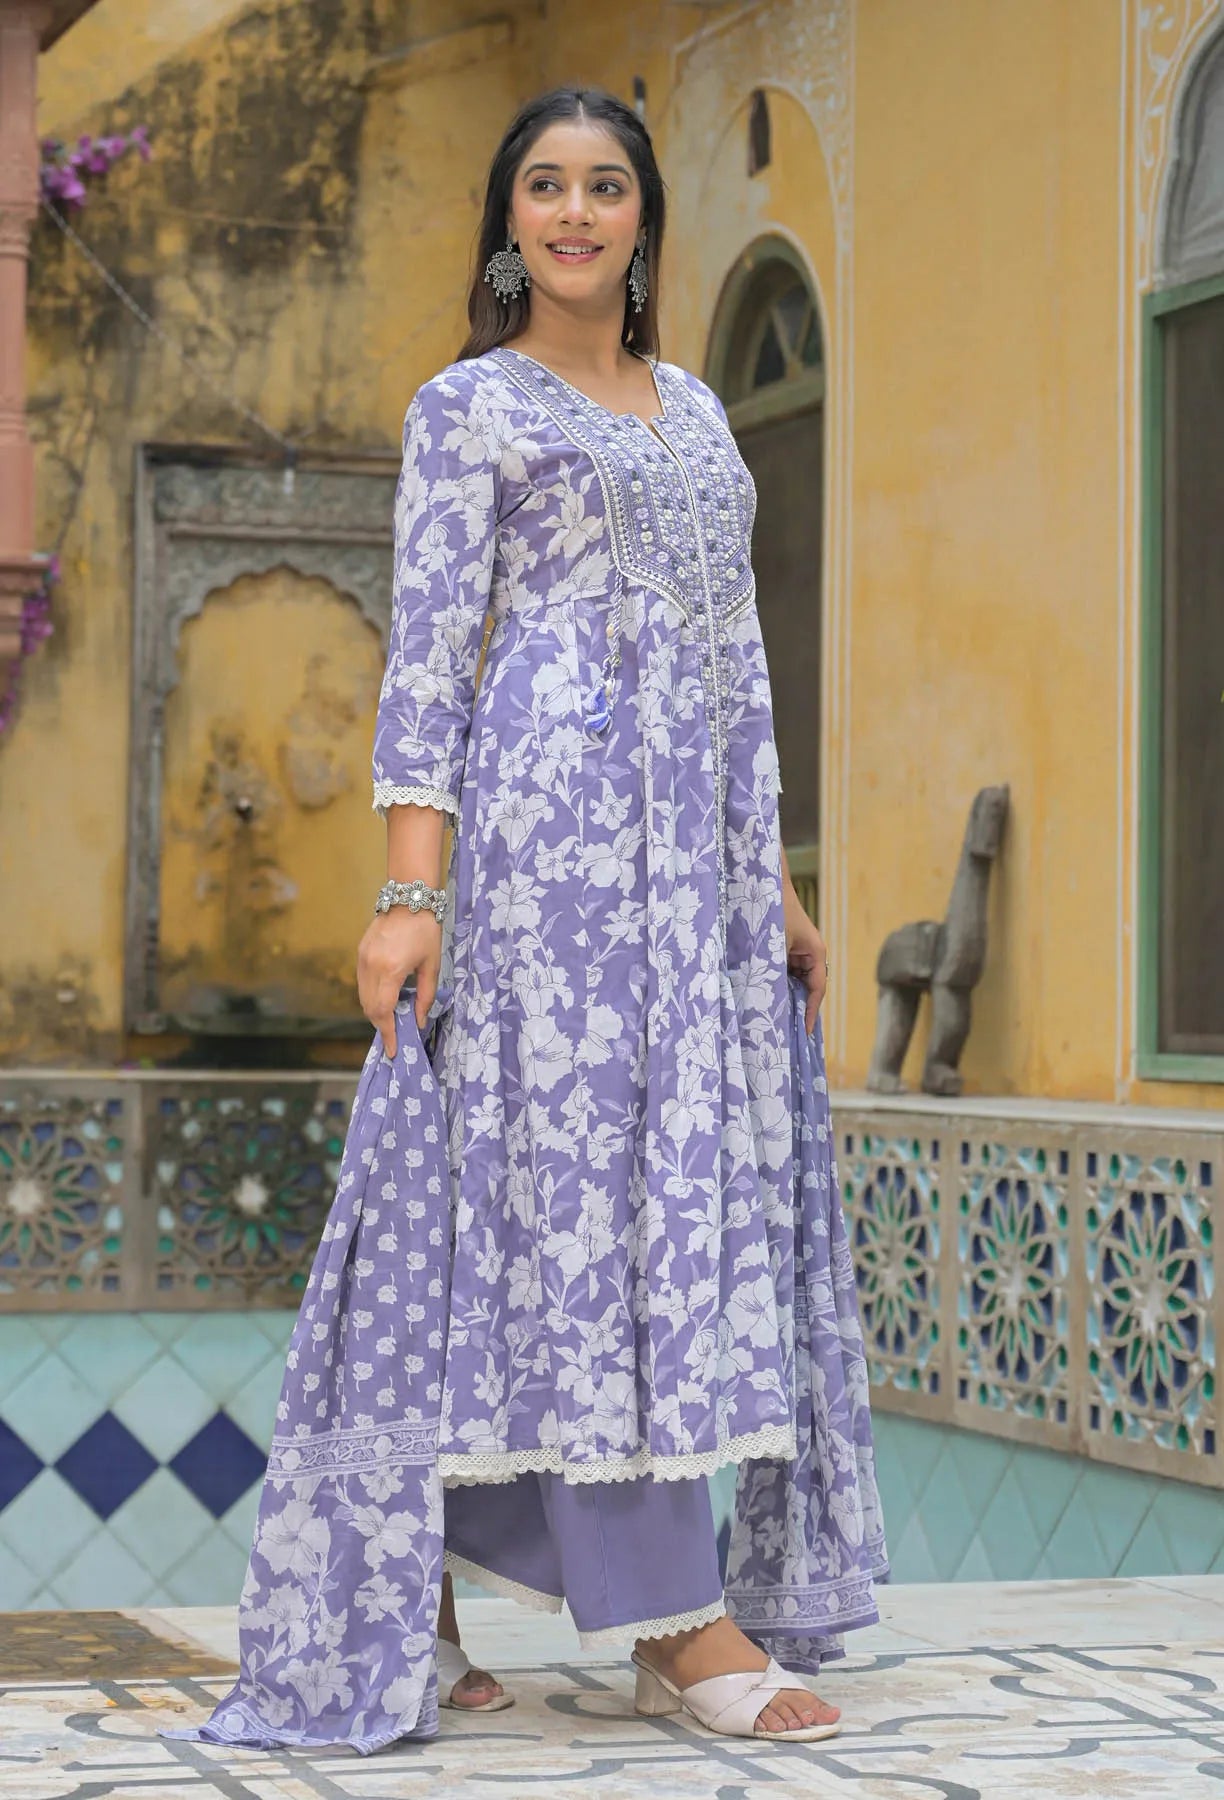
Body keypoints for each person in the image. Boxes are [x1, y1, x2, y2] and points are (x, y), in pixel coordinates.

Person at [349, 84, 885, 1743]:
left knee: (661, 1204)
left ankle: (435, 1562)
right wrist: (408, 892)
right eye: (544, 188)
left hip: (687, 889)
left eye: (604, 187)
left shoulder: (708, 419)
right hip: (543, 866)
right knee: (546, 1195)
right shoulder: (467, 409)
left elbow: (741, 676)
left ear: (645, 218)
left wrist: (773, 886)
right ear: (510, 221)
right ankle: (677, 1617)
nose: (575, 213)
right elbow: (430, 661)